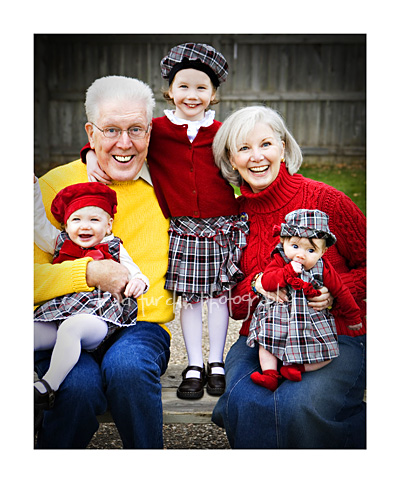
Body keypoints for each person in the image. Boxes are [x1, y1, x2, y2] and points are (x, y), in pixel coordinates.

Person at [82, 43, 249, 400]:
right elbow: (125, 143)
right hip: (185, 229)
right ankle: (193, 363)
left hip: (222, 226)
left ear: (214, 94)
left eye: (202, 87)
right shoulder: (156, 130)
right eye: (183, 86)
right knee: (189, 299)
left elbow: (249, 154)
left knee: (218, 297)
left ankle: (215, 363)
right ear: (170, 91)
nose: (192, 95)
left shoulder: (222, 132)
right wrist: (87, 155)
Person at [211, 105, 366, 448]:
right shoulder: (234, 219)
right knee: (246, 402)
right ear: (231, 159)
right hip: (265, 337)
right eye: (244, 148)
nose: (257, 157)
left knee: (297, 406)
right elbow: (236, 307)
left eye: (266, 144)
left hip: (334, 335)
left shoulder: (327, 200)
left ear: (283, 146)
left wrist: (335, 292)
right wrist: (256, 285)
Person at [34, 75, 173, 449]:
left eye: (136, 130)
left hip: (140, 323)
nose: (124, 143)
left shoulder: (168, 185)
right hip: (67, 324)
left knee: (128, 369)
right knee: (76, 387)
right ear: (90, 133)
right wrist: (89, 272)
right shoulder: (53, 188)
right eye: (111, 130)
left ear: (150, 132)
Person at [33, 180, 149, 434]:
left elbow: (136, 272)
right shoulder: (60, 243)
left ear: (108, 225)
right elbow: (37, 224)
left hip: (95, 320)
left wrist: (139, 282)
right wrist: (31, 189)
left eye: (94, 220)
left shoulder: (114, 247)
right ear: (66, 224)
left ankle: (45, 387)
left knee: (73, 328)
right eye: (76, 220)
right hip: (58, 317)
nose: (84, 226)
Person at [248, 208, 363, 391]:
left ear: (323, 251)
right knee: (266, 344)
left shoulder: (323, 267)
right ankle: (269, 374)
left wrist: (354, 317)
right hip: (278, 316)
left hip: (309, 319)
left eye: (310, 250)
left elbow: (341, 291)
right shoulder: (279, 260)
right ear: (283, 241)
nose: (301, 255)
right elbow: (268, 282)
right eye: (295, 246)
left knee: (328, 353)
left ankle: (295, 368)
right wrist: (286, 273)